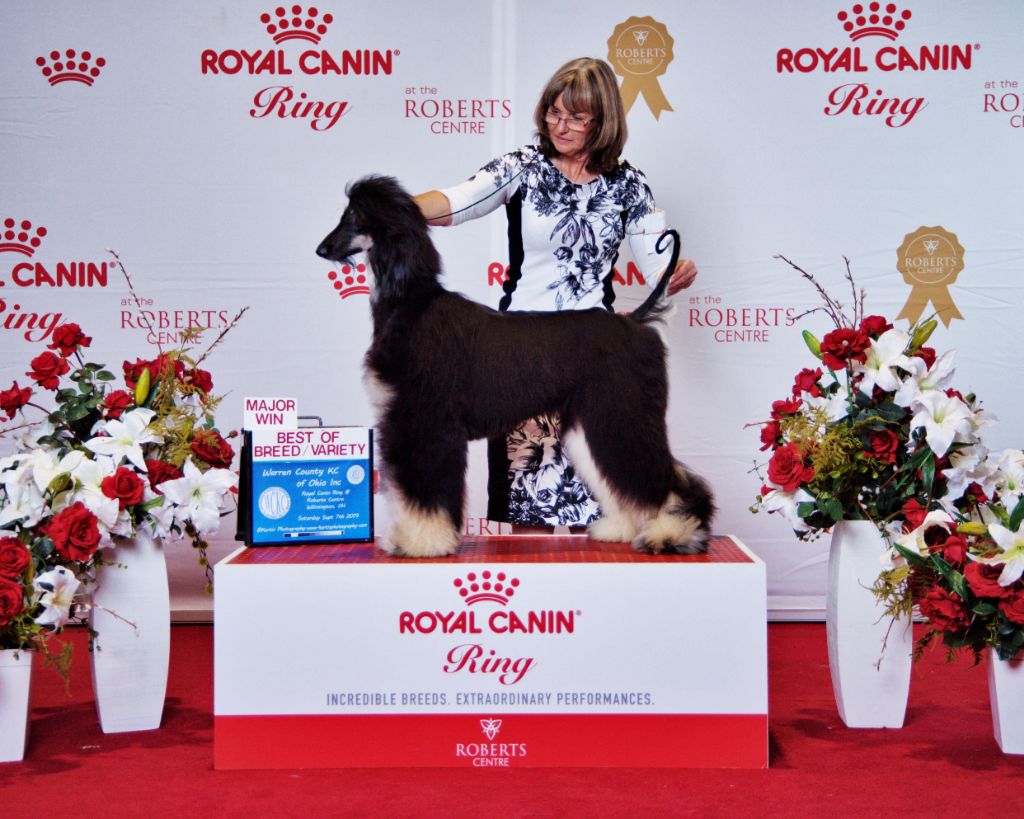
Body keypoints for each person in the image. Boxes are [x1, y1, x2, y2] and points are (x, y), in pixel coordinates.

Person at [413, 57, 698, 531]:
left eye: (576, 117)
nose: (560, 126)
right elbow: (454, 203)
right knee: (528, 502)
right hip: (518, 354)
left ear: (602, 120)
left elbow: (656, 265)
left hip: (594, 356)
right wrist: (396, 207)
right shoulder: (521, 167)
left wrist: (673, 273)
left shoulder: (629, 185)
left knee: (606, 493)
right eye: (553, 112)